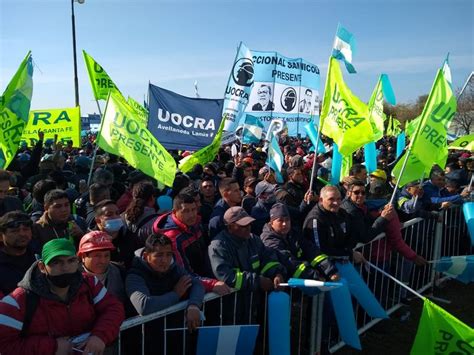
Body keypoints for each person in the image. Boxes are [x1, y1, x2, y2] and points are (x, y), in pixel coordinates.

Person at [0, 238, 125, 355]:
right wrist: (52, 347)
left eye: (71, 261)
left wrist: (100, 336)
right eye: (56, 262)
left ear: (77, 261)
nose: (65, 268)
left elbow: (113, 308)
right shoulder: (17, 301)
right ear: (42, 267)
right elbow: (4, 344)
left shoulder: (89, 283)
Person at [208, 207, 286, 323]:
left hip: (252, 304)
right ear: (230, 227)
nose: (248, 228)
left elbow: (267, 258)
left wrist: (276, 273)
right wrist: (258, 281)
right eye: (242, 225)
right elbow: (227, 276)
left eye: (249, 223)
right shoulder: (218, 246)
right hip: (229, 310)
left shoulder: (253, 239)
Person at [153, 193, 231, 295]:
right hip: (193, 289)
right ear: (175, 212)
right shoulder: (172, 238)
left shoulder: (196, 223)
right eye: (186, 211)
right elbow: (184, 273)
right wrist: (212, 284)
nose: (192, 215)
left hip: (206, 278)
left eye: (194, 209)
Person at [126, 233, 204, 319]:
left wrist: (194, 305)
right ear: (146, 256)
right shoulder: (134, 276)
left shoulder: (174, 268)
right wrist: (176, 294)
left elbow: (197, 284)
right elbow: (144, 306)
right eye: (159, 255)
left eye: (169, 254)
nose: (165, 260)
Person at [260, 203, 336, 281]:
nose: (284, 224)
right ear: (272, 222)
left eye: (287, 220)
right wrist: (314, 276)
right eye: (280, 220)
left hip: (303, 277)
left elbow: (310, 249)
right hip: (288, 282)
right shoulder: (269, 239)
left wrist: (329, 270)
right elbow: (288, 261)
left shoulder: (293, 232)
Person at [78, 231, 127, 303]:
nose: (103, 261)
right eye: (97, 256)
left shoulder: (120, 272)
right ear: (83, 257)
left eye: (106, 255)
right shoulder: (73, 278)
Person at [0, 211, 38, 297]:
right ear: (1, 236)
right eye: (14, 231)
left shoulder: (38, 257)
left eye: (26, 229)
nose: (22, 234)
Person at [93, 199, 136, 268]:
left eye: (117, 213)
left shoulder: (129, 235)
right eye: (109, 215)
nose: (115, 217)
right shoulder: (92, 241)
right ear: (98, 221)